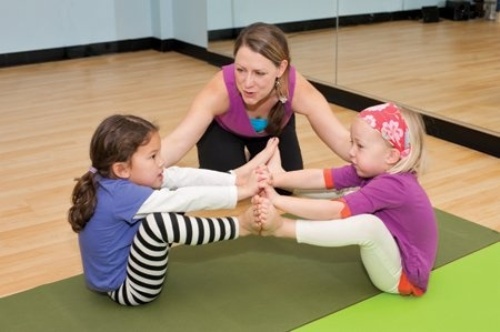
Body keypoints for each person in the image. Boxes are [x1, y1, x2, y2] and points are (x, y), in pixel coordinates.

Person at [68, 114, 274, 306]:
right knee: (160, 222)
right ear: (121, 169)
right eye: (152, 157)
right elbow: (185, 199)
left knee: (171, 187)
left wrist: (236, 180)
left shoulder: (112, 178)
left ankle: (237, 177)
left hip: (125, 268)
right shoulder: (121, 195)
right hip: (127, 289)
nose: (161, 162)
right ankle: (241, 226)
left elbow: (180, 177)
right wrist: (243, 193)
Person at [253, 102, 438, 296]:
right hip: (394, 251)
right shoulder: (373, 169)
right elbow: (321, 178)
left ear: (391, 156)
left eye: (360, 146)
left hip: (403, 278)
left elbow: (335, 212)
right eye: (352, 143)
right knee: (341, 189)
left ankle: (282, 227)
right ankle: (283, 182)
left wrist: (277, 201)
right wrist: (276, 178)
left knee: (368, 225)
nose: (351, 152)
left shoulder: (395, 185)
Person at [160, 22, 351, 175]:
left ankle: (255, 158)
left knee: (285, 185)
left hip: (272, 130)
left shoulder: (297, 88)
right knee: (225, 187)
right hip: (224, 132)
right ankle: (243, 157)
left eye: (259, 73)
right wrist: (140, 171)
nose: (247, 83)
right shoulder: (220, 89)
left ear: (281, 68)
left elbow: (341, 139)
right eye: (241, 70)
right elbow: (178, 141)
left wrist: (373, 162)